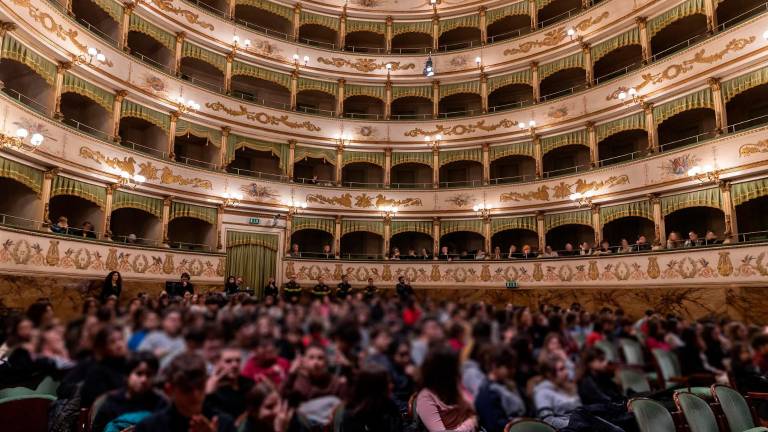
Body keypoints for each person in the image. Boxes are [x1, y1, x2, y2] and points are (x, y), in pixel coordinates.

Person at [135, 352, 236, 432]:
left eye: (200, 387)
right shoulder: (149, 427)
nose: (195, 394)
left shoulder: (224, 424)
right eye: (187, 389)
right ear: (169, 390)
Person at [91, 352, 168, 432]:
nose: (144, 380)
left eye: (149, 374)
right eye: (139, 373)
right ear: (127, 376)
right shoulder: (112, 403)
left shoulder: (160, 403)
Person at [415, 346, 477, 432]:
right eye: (456, 366)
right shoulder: (426, 397)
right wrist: (471, 423)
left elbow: (474, 409)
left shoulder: (454, 385)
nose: (459, 370)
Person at [333, 365, 403, 431]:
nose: (391, 386)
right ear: (375, 389)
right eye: (387, 383)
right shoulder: (351, 416)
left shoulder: (389, 405)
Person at [474, 346, 526, 432]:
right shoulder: (487, 392)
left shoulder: (508, 384)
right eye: (508, 366)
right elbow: (494, 425)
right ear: (494, 366)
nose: (512, 370)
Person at [80, 324, 129, 407]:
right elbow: (99, 403)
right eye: (112, 342)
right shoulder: (97, 371)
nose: (119, 345)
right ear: (104, 348)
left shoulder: (130, 364)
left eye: (120, 339)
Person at [205, 345, 255, 420]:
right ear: (217, 363)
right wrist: (208, 393)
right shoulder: (211, 388)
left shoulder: (249, 384)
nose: (235, 365)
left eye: (238, 360)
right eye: (228, 361)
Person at [533, 355, 582, 429]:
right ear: (549, 374)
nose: (566, 372)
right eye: (561, 369)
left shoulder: (566, 385)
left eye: (565, 368)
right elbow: (547, 420)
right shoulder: (542, 392)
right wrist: (576, 424)